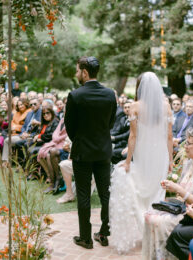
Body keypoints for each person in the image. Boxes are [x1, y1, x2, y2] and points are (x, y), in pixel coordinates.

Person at [109, 71, 173, 254]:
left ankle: (146, 226)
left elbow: (133, 137)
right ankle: (155, 231)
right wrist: (169, 160)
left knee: (139, 191)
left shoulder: (135, 106)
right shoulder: (166, 106)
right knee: (157, 193)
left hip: (143, 153)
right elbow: (169, 137)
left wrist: (128, 162)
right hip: (160, 154)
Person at [65, 56, 117, 249]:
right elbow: (110, 123)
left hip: (82, 153)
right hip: (103, 152)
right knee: (106, 194)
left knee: (84, 195)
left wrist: (81, 140)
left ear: (85, 72)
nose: (76, 74)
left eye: (78, 70)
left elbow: (70, 128)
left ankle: (86, 238)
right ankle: (104, 233)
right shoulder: (110, 94)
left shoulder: (75, 95)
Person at [143, 126, 193, 260]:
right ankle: (154, 257)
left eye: (189, 143)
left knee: (160, 222)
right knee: (149, 216)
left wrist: (178, 189)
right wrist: (171, 186)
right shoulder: (188, 164)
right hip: (180, 206)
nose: (185, 146)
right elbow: (181, 190)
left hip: (191, 213)